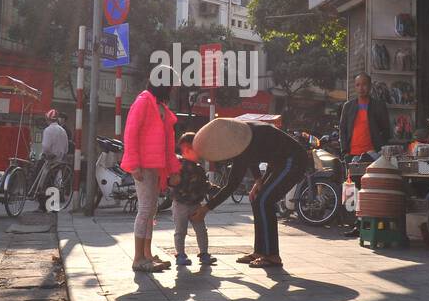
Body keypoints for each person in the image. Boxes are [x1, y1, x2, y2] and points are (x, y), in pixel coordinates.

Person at [196, 118, 311, 270]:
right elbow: (252, 160)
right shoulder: (242, 137)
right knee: (257, 199)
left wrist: (206, 209)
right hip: (278, 162)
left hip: (293, 160)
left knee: (264, 201)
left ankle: (272, 256)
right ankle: (260, 252)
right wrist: (258, 180)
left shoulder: (252, 135)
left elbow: (231, 185)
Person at [122, 67, 181, 272]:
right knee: (146, 210)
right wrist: (134, 164)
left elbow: (166, 141)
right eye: (171, 84)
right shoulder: (144, 101)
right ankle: (138, 258)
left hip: (155, 166)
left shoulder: (157, 104)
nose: (173, 89)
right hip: (144, 165)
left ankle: (146, 255)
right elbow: (131, 132)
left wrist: (172, 169)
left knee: (151, 210)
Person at [171, 132, 216, 268]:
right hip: (180, 204)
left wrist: (214, 189)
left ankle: (204, 253)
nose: (201, 153)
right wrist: (170, 180)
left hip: (196, 204)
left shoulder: (199, 169)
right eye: (198, 149)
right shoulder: (177, 166)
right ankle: (180, 255)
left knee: (201, 229)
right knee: (180, 230)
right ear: (187, 149)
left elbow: (204, 184)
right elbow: (171, 180)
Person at [338, 73, 391, 161]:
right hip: (352, 154)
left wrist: (380, 149)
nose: (361, 88)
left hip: (373, 155)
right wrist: (344, 151)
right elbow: (342, 130)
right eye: (358, 85)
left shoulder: (379, 106)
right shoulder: (348, 106)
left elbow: (386, 131)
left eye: (364, 84)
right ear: (355, 87)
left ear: (370, 86)